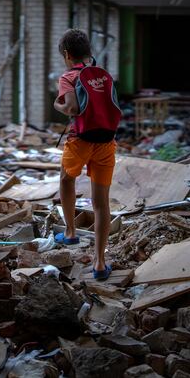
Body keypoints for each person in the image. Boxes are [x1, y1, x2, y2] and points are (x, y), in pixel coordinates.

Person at [53, 29, 121, 281]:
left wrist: (56, 104)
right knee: (101, 202)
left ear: (67, 54)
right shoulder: (103, 75)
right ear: (88, 52)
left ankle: (70, 232)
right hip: (106, 142)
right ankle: (100, 263)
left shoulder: (68, 76)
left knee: (66, 179)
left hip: (80, 141)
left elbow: (72, 107)